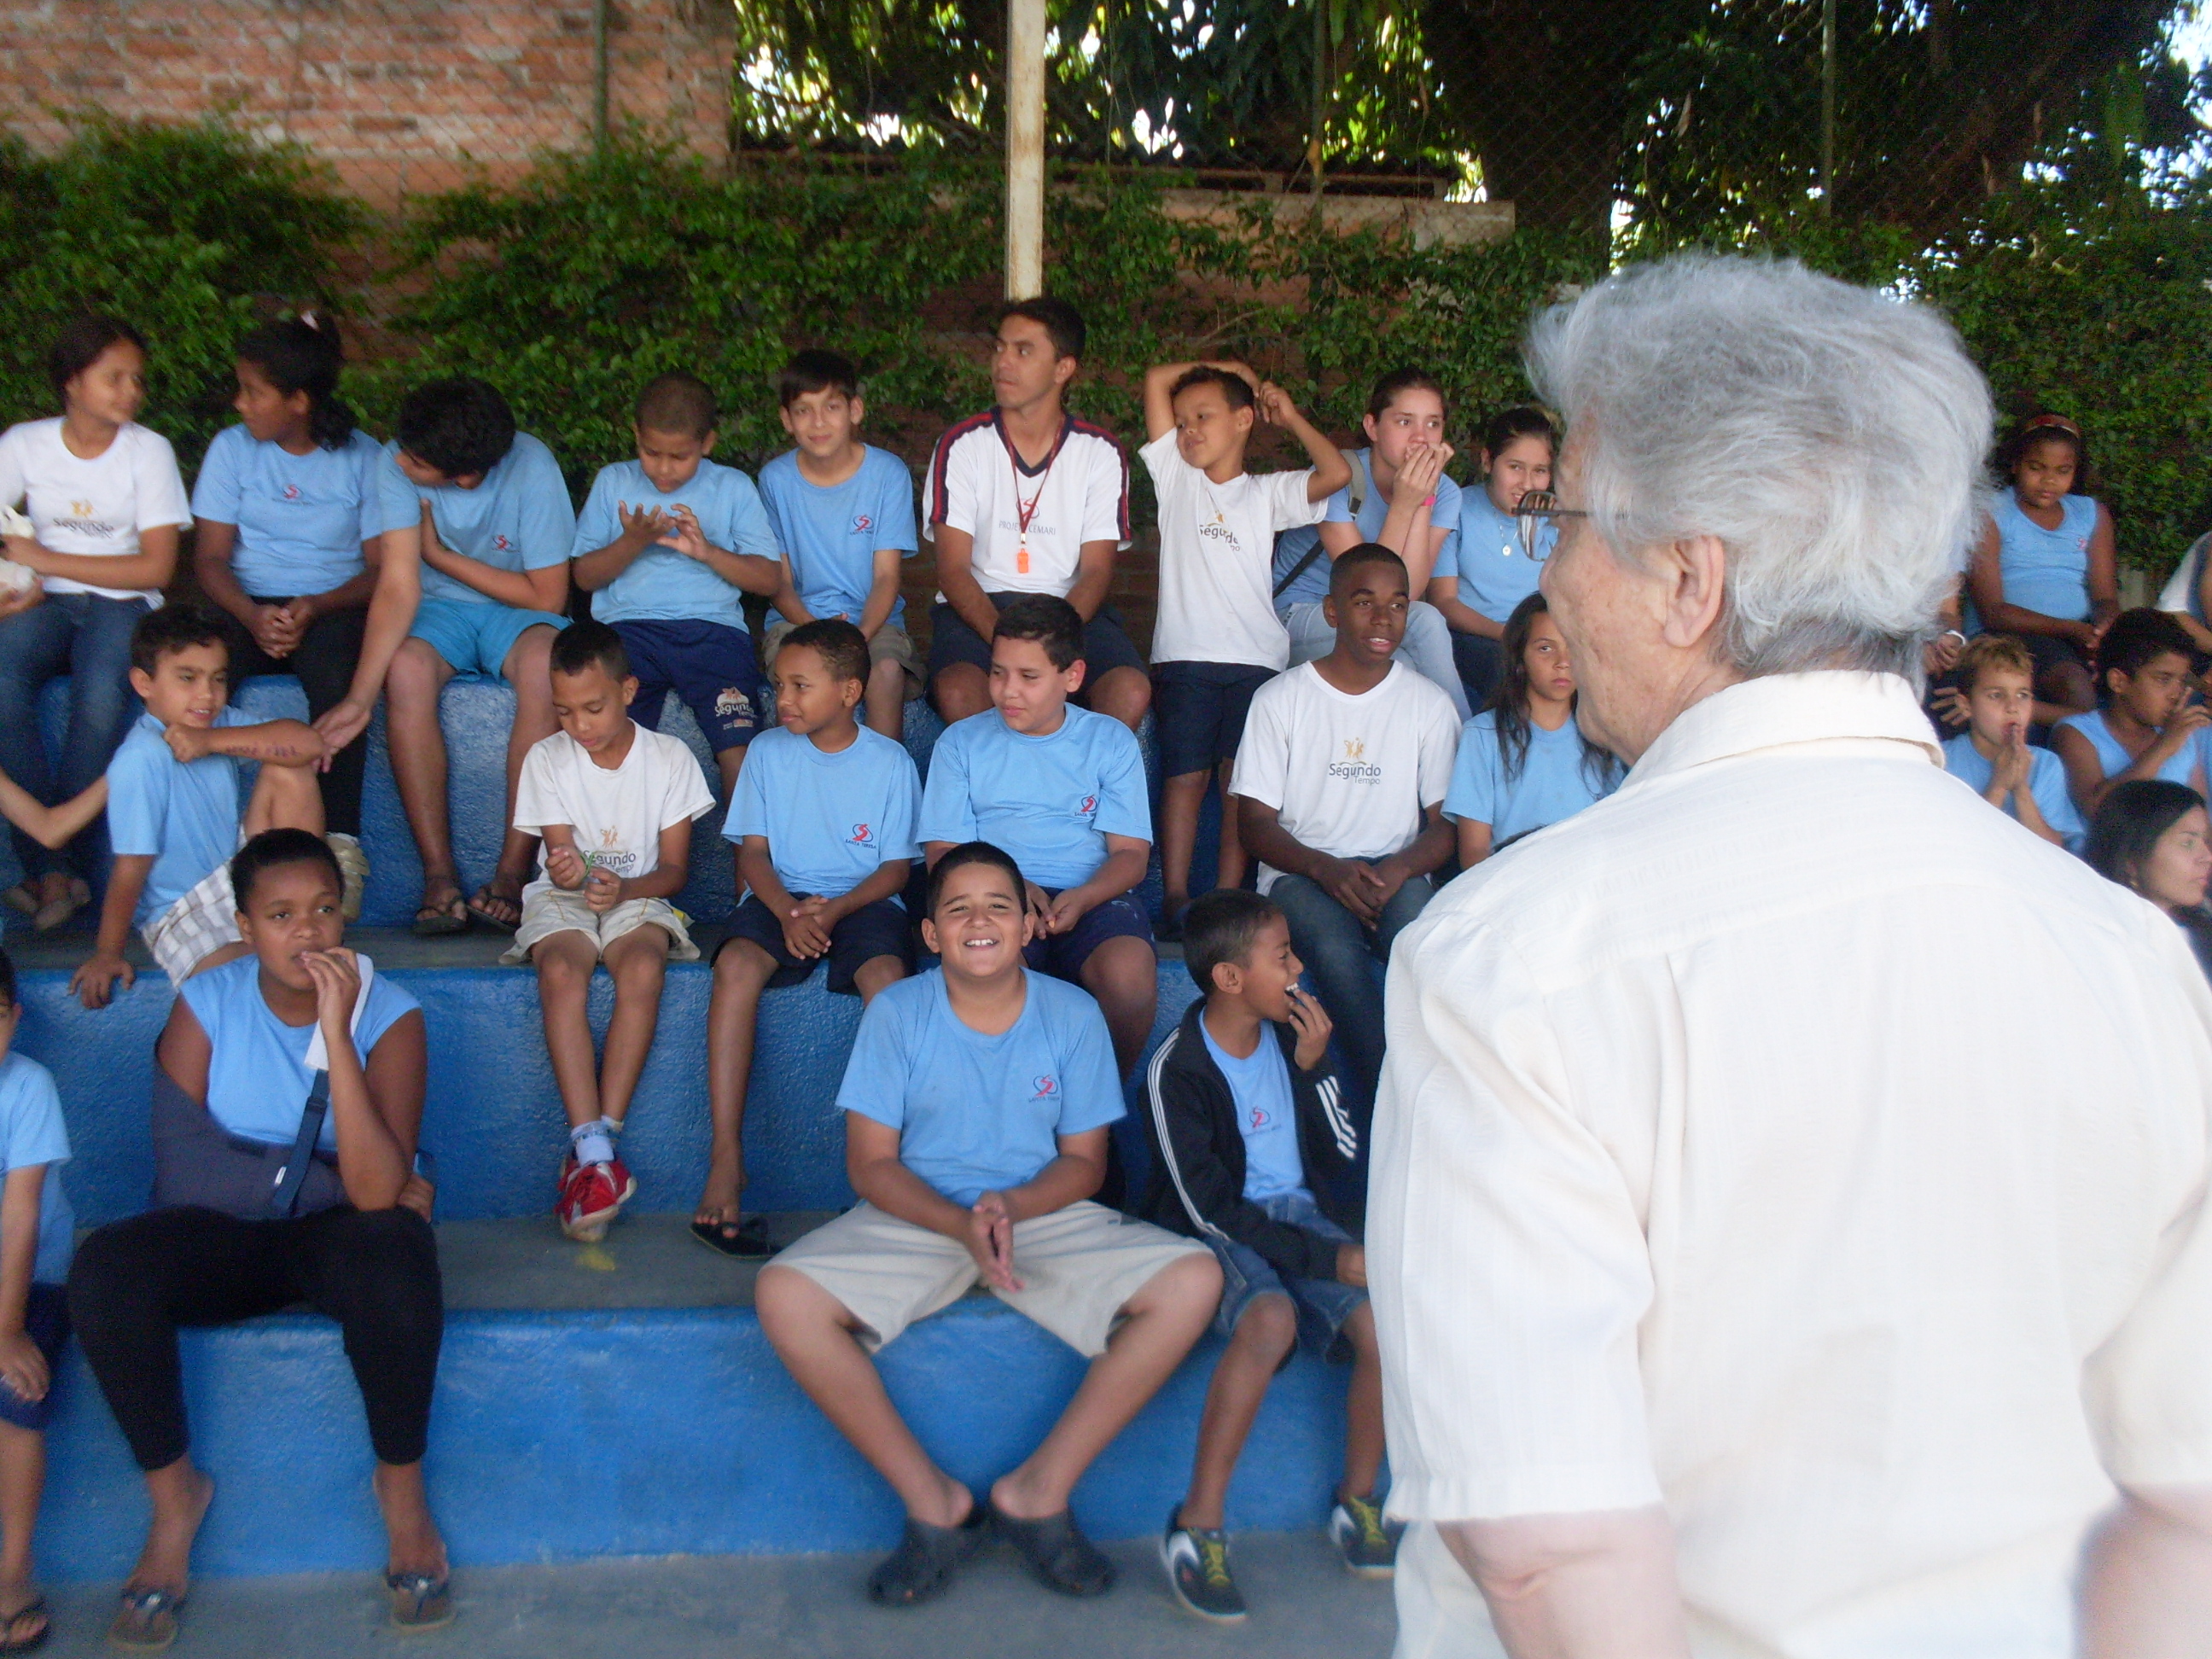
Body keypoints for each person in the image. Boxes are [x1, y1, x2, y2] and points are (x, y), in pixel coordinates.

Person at [1370, 254, 2212, 1659]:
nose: (1553, 574)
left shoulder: (1512, 957)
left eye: (1566, 515)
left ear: (1689, 578)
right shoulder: (2126, 953)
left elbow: (1545, 1540)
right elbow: (2183, 1495)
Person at [754, 841, 1220, 1608]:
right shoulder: (899, 1011)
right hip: (922, 1214)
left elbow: (1084, 1166)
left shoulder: (1072, 1015)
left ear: (1029, 923)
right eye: (957, 908)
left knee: (1193, 1279)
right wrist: (959, 1220)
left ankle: (1038, 1493)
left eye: (999, 905)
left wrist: (1008, 1210)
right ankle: (934, 1506)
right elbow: (871, 1165)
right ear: (931, 933)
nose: (979, 921)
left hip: (1038, 1213)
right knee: (784, 1294)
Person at [67, 830, 450, 1650]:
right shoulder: (206, 1005)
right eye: (281, 915)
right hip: (226, 1239)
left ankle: (401, 1489)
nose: (308, 933)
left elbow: (376, 1198)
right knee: (105, 1268)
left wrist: (337, 1032)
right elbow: (186, 1177)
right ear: (245, 927)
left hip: (339, 1243)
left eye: (323, 910)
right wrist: (325, 1177)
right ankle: (176, 1501)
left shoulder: (393, 1016)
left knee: (398, 1253)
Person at [1138, 891, 1394, 1625]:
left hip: (1299, 1217)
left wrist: (1316, 1072)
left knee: (1381, 1325)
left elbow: (1343, 1161)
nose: (1300, 968)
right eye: (1283, 956)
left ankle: (1358, 1500)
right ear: (1229, 979)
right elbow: (1207, 1209)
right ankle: (1199, 1522)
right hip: (1219, 1232)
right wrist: (1327, 1261)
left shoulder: (1296, 1040)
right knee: (1272, 1319)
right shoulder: (1176, 1068)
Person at [701, 618, 919, 1257]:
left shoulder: (889, 761)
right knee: (736, 968)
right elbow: (755, 855)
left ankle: (887, 1166)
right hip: (780, 897)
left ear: (851, 691)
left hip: (865, 900)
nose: (783, 700)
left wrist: (836, 908)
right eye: (778, 685)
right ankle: (726, 1157)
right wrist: (792, 913)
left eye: (800, 685)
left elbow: (895, 869)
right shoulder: (768, 753)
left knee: (888, 984)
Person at [1230, 546, 1458, 1133]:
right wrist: (1325, 869)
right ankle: (1398, 1105)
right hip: (1301, 874)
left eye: (1398, 604)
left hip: (1395, 869)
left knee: (1422, 942)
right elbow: (1254, 825)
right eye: (1365, 603)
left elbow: (1446, 826)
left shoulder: (1428, 705)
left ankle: (1452, 1089)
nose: (1384, 619)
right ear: (1332, 612)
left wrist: (1401, 869)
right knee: (1333, 953)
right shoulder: (1279, 701)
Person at [505, 620, 715, 1243]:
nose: (580, 725)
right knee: (562, 971)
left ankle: (601, 1142)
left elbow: (674, 871)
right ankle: (594, 1153)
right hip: (565, 901)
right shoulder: (546, 758)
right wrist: (570, 870)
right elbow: (562, 858)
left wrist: (623, 889)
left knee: (644, 968)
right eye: (565, 711)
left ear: (628, 690)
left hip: (639, 895)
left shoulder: (669, 758)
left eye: (594, 707)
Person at [343, 377, 574, 935]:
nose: (401, 461)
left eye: (417, 460)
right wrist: (358, 696)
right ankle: (438, 873)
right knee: (406, 668)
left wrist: (440, 555)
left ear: (467, 475)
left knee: (548, 666)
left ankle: (514, 872)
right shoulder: (396, 466)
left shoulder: (533, 466)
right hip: (436, 612)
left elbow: (548, 595)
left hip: (515, 612)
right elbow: (398, 587)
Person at [190, 316, 393, 917]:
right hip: (244, 604)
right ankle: (200, 849)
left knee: (337, 683)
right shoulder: (231, 449)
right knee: (194, 671)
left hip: (332, 606)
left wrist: (317, 605)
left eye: (253, 391)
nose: (240, 403)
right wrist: (253, 615)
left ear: (299, 401)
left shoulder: (364, 458)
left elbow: (383, 570)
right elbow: (208, 559)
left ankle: (341, 848)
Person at [1140, 358, 1348, 928]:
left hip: (1256, 661)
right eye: (1181, 423)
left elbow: (1334, 474)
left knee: (1238, 784)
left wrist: (1292, 417)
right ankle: (1177, 897)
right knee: (1184, 778)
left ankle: (1227, 899)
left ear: (1244, 420)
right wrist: (1230, 366)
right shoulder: (1175, 479)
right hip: (1185, 658)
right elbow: (1157, 379)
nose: (1189, 432)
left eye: (1203, 417)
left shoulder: (1266, 493)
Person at [0, 316, 190, 932]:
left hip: (124, 601)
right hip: (44, 603)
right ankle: (54, 866)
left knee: (103, 696)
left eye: (137, 378)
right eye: (114, 378)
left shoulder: (149, 450)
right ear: (72, 383)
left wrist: (44, 559)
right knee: (2, 680)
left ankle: (50, 868)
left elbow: (156, 566)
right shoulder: (24, 445)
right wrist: (14, 585)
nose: (130, 391)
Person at [917, 596, 1156, 1074]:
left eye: (1028, 677)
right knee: (997, 981)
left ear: (1072, 676)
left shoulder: (1110, 740)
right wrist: (1012, 890)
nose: (1008, 691)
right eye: (998, 672)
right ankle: (1023, 1118)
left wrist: (1084, 896)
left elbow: (1130, 854)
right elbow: (942, 852)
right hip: (994, 896)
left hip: (1090, 898)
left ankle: (1093, 1113)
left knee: (1128, 977)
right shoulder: (961, 743)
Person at [72, 605, 329, 1010]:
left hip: (237, 877)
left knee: (290, 771)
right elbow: (130, 867)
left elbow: (310, 745)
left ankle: (304, 905)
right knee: (255, 982)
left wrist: (211, 741)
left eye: (218, 679)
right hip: (182, 910)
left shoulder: (217, 722)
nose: (206, 695)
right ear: (144, 683)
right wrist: (108, 952)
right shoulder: (140, 759)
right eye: (187, 678)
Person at [923, 299, 1148, 732]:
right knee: (958, 691)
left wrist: (1049, 641)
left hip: (1068, 611)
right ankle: (999, 799)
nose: (1003, 362)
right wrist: (1011, 645)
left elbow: (1097, 572)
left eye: (1023, 351)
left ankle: (1077, 798)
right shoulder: (962, 444)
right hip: (982, 605)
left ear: (1063, 368)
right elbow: (952, 571)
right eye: (1000, 348)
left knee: (1129, 690)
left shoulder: (1101, 451)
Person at [570, 371, 784, 800]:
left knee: (739, 747)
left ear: (707, 443)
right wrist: (633, 541)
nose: (664, 469)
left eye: (679, 457)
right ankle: (616, 857)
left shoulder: (732, 487)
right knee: (611, 743)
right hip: (627, 632)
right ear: (635, 436)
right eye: (651, 453)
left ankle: (749, 863)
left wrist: (707, 551)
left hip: (712, 632)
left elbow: (768, 578)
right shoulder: (614, 482)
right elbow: (584, 577)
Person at [1269, 369, 1471, 719]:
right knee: (1424, 623)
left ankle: (1456, 756)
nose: (1421, 438)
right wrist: (1405, 504)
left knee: (1405, 661)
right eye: (1405, 422)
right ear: (1373, 427)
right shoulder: (1340, 478)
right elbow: (1366, 584)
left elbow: (1409, 590)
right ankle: (1472, 751)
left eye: (1433, 424)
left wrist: (1425, 502)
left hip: (1372, 622)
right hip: (1301, 615)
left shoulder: (1447, 491)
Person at [757, 350, 923, 742]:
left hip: (873, 622)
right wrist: (816, 631)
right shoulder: (775, 480)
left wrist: (857, 636)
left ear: (855, 410)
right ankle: (800, 788)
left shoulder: (887, 473)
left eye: (831, 407)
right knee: (800, 676)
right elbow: (779, 581)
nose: (818, 422)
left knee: (884, 671)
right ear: (786, 420)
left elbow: (886, 577)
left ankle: (883, 782)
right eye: (803, 410)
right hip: (797, 619)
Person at [0, 946, 75, 1655]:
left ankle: (13, 1569)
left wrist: (5, 1328)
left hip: (26, 1284)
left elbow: (20, 1217)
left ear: (15, 1019)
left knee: (15, 1392)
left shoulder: (27, 1087)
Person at [1441, 591, 1620, 870]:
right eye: (1545, 648)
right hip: (1512, 889)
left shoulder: (1605, 735)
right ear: (1520, 659)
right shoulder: (1483, 735)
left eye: (1572, 646)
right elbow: (1474, 853)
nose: (1563, 661)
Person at [1966, 412, 2116, 721]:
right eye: (2037, 468)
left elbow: (2105, 596)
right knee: (2076, 689)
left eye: (2063, 471)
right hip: (2009, 634)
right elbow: (1993, 611)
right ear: (2015, 464)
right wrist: (2072, 630)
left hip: (2079, 633)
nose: (2049, 480)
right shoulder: (1991, 511)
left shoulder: (2090, 513)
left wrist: (2104, 627)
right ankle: (2010, 715)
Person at [1423, 407, 1557, 711]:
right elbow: (1444, 602)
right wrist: (1509, 635)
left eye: (1539, 471)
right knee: (1508, 672)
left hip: (1540, 642)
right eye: (1515, 467)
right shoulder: (1457, 508)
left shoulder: (1557, 522)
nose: (1527, 483)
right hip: (1475, 639)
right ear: (1487, 461)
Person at [2051, 606, 2208, 818]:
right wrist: (2164, 747)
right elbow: (2098, 811)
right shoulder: (2075, 734)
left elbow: (2201, 821)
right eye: (2163, 679)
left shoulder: (2182, 739)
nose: (2176, 693)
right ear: (2119, 681)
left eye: (2182, 681)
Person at [1940, 632, 2084, 848]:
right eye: (1996, 695)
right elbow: (1957, 848)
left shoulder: (2046, 764)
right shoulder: (1941, 762)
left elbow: (2057, 855)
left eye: (2023, 695)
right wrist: (1998, 787)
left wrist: (2021, 789)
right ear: (1965, 705)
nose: (2012, 707)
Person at [2085, 778, 2212, 977]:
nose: (2207, 857)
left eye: (2205, 841)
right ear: (2131, 859)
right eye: (2188, 842)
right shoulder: (2096, 943)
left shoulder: (2202, 937)